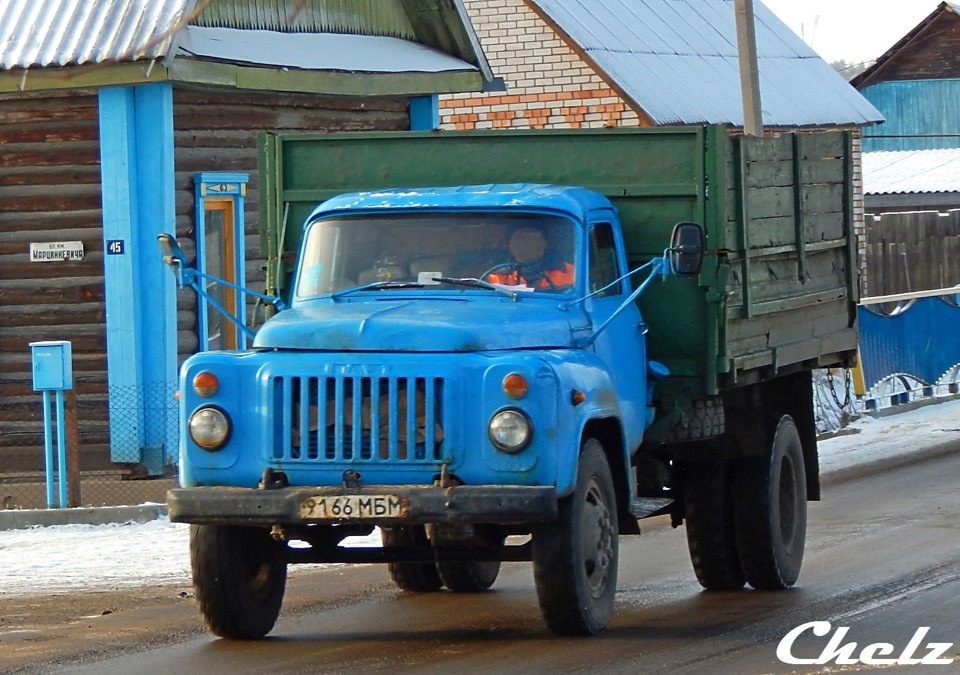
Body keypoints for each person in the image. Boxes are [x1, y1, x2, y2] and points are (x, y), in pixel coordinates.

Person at [484, 226, 574, 291]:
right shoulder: (495, 276)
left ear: (545, 243)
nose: (528, 244)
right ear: (509, 244)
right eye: (521, 238)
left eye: (534, 238)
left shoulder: (570, 272)